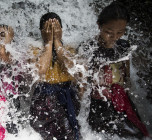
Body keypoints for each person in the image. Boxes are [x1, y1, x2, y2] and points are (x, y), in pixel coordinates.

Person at [77, 2, 149, 138]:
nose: (115, 37)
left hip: (120, 101)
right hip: (98, 102)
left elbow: (125, 76)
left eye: (120, 32)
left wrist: (126, 100)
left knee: (137, 134)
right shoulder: (88, 48)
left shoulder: (123, 46)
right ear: (99, 25)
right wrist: (81, 112)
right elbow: (82, 84)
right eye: (109, 32)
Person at [29, 12, 81, 140]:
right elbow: (40, 71)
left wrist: (57, 42)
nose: (52, 31)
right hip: (45, 97)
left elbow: (73, 69)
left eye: (56, 28)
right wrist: (48, 43)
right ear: (42, 31)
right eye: (48, 29)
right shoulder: (34, 49)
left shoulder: (70, 49)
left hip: (68, 95)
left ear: (61, 30)